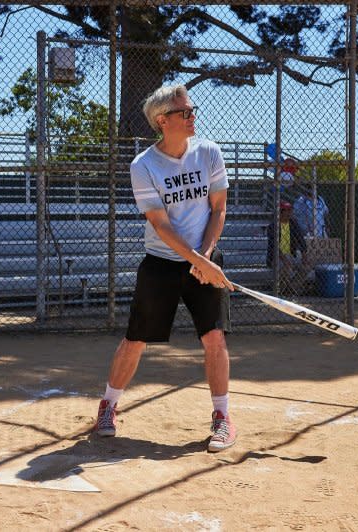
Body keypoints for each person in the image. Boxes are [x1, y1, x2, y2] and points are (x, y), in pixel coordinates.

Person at [92, 84, 237, 452]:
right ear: (162, 121)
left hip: (204, 256)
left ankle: (222, 417)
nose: (193, 116)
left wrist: (206, 256)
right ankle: (108, 405)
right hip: (162, 261)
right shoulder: (143, 166)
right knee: (136, 339)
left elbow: (218, 208)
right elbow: (161, 225)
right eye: (184, 112)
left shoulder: (209, 153)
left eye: (192, 110)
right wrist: (197, 261)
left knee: (214, 337)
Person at [266, 201, 306, 286]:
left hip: (292, 254)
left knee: (308, 265)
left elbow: (301, 239)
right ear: (280, 212)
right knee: (287, 267)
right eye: (286, 210)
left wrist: (304, 254)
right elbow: (274, 246)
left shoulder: (293, 223)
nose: (289, 213)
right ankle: (281, 289)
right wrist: (284, 259)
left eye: (290, 210)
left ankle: (292, 287)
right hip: (276, 257)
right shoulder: (273, 226)